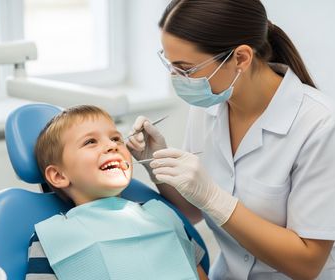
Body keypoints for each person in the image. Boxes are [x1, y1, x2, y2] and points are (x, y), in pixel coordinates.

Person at [126, 0, 335, 279]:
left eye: (185, 69)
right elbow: (194, 211)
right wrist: (157, 165)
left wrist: (214, 198)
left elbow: (307, 263)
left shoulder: (322, 125)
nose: (177, 79)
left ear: (241, 59)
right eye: (170, 65)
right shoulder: (208, 108)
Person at [25, 105, 208, 280]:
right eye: (90, 142)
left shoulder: (163, 215)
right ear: (58, 175)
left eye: (115, 139)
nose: (112, 146)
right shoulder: (52, 238)